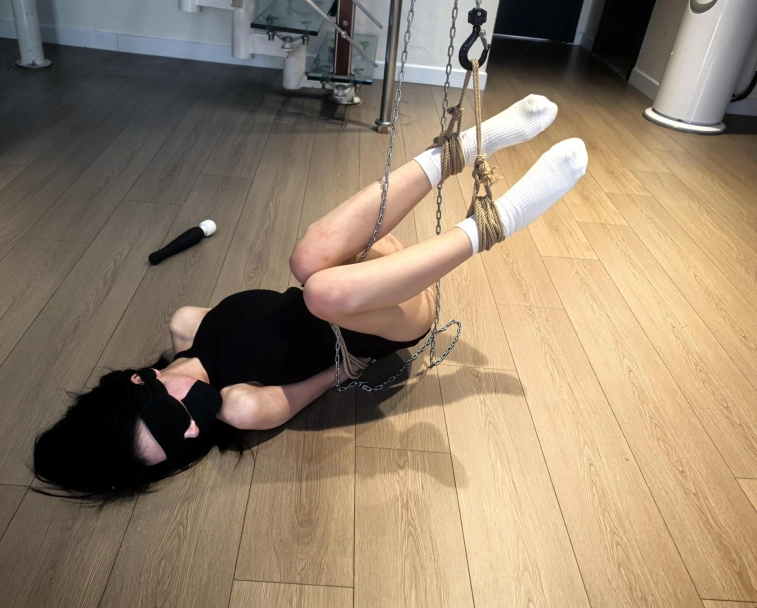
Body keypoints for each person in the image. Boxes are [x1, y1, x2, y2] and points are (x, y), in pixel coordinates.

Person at [33, 94, 587, 504]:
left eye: (168, 420)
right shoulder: (237, 405)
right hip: (388, 320)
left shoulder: (187, 328)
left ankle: (461, 149)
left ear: (139, 381)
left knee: (307, 263)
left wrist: (356, 272)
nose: (195, 429)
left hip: (364, 274)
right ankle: (498, 221)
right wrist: (349, 362)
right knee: (318, 289)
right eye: (182, 445)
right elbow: (333, 376)